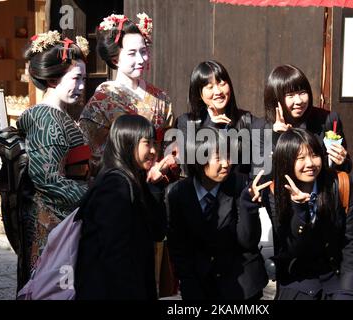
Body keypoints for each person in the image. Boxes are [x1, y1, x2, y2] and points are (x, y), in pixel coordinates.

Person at [241, 128, 353, 300]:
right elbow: (292, 248)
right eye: (300, 158)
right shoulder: (274, 192)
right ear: (285, 161)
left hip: (336, 282)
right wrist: (299, 208)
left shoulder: (339, 183)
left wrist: (349, 293)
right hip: (297, 285)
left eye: (314, 155)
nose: (310, 164)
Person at [16, 31, 90, 290]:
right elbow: (49, 181)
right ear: (53, 78)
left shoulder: (61, 115)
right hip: (51, 225)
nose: (82, 86)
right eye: (76, 78)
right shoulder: (46, 119)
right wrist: (95, 194)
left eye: (84, 78)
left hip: (64, 219)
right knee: (54, 289)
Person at [166, 127, 268, 300]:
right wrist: (188, 282)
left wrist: (248, 205)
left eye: (228, 156)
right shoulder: (178, 193)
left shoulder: (241, 185)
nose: (226, 163)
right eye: (218, 157)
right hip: (199, 286)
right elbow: (178, 246)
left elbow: (248, 242)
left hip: (242, 287)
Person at [75, 114, 166, 300]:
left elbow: (157, 231)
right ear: (128, 142)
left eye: (154, 144)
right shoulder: (115, 186)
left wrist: (154, 187)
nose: (153, 151)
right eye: (147, 143)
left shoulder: (135, 179)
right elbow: (114, 253)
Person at [79, 13, 176, 181]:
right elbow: (91, 153)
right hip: (120, 183)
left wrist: (167, 162)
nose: (140, 59)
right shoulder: (102, 101)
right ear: (115, 59)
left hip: (160, 180)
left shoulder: (161, 97)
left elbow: (170, 141)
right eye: (132, 53)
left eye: (143, 51)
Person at [252, 64, 351, 178]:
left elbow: (346, 168)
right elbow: (260, 176)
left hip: (319, 192)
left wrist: (342, 161)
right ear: (276, 99)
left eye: (302, 92)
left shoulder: (327, 120)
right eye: (290, 95)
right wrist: (276, 138)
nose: (299, 100)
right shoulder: (260, 128)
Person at [174, 60, 254, 176]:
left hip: (236, 192)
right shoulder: (187, 122)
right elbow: (189, 166)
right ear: (199, 94)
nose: (218, 91)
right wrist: (212, 126)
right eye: (210, 87)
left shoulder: (245, 120)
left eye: (222, 84)